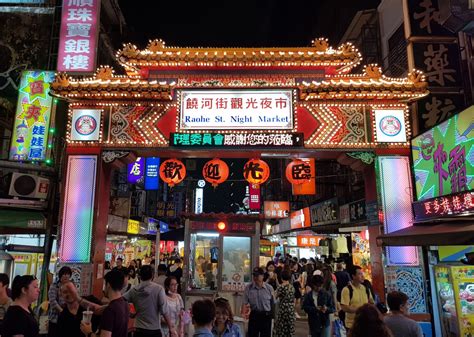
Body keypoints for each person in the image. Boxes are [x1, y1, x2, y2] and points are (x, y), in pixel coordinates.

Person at [122, 265, 177, 337]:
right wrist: (171, 328)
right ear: (152, 275)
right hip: (154, 330)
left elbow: (121, 300)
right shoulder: (158, 289)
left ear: (140, 276)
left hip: (138, 330)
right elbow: (164, 311)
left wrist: (129, 313)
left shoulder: (134, 290)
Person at [80, 269, 129, 337]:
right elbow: (97, 309)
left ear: (108, 285)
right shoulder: (125, 303)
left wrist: (88, 332)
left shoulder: (110, 310)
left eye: (104, 284)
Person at [243, 267, 274, 337]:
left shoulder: (269, 288)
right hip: (254, 315)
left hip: (266, 316)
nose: (255, 277)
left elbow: (272, 303)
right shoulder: (248, 288)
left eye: (257, 275)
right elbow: (245, 303)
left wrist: (273, 317)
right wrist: (244, 316)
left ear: (263, 276)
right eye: (254, 275)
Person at [340, 265, 373, 331]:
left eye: (362, 274)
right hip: (352, 325)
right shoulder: (347, 290)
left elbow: (371, 302)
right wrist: (360, 309)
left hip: (365, 323)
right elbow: (344, 307)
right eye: (360, 274)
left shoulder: (365, 288)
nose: (362, 276)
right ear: (353, 276)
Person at [48, 266, 72, 337]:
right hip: (55, 319)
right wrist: (62, 312)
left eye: (68, 274)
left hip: (66, 319)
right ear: (60, 275)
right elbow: (52, 301)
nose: (66, 276)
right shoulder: (54, 286)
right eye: (64, 274)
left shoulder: (70, 287)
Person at [273, 270, 295, 337]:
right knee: (289, 327)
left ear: (281, 277)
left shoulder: (281, 287)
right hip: (291, 309)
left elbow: (274, 297)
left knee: (281, 327)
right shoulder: (292, 287)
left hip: (283, 308)